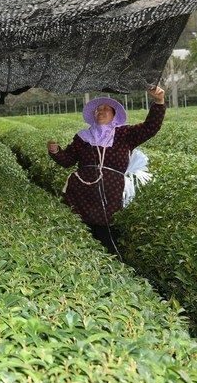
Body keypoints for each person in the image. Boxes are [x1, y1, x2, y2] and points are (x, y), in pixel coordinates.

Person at [47, 85, 165, 255]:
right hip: (80, 194)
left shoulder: (125, 134)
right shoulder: (82, 137)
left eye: (105, 109)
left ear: (114, 115)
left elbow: (150, 127)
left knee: (107, 236)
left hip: (111, 195)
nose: (100, 112)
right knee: (79, 233)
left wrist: (159, 101)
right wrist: (56, 151)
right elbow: (68, 161)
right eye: (98, 110)